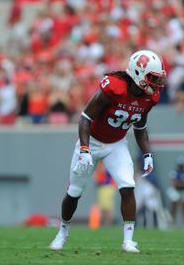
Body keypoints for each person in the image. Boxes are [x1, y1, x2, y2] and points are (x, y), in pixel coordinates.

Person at [49, 50, 166, 253]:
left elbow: (140, 127)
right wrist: (85, 149)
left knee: (128, 186)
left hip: (116, 145)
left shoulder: (150, 97)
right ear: (138, 73)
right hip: (91, 142)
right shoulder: (115, 87)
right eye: (152, 77)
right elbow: (85, 118)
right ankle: (62, 232)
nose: (156, 83)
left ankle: (128, 240)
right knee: (74, 192)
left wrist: (148, 153)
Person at [167, 156, 184, 227]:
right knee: (173, 208)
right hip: (176, 191)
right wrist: (182, 182)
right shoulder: (174, 172)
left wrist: (179, 182)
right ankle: (172, 224)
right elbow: (173, 183)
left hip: (183, 191)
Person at [94, 162, 116, 226]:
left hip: (107, 185)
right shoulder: (99, 163)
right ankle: (104, 223)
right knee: (102, 206)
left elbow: (108, 172)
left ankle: (109, 223)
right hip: (101, 186)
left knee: (108, 206)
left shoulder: (107, 162)